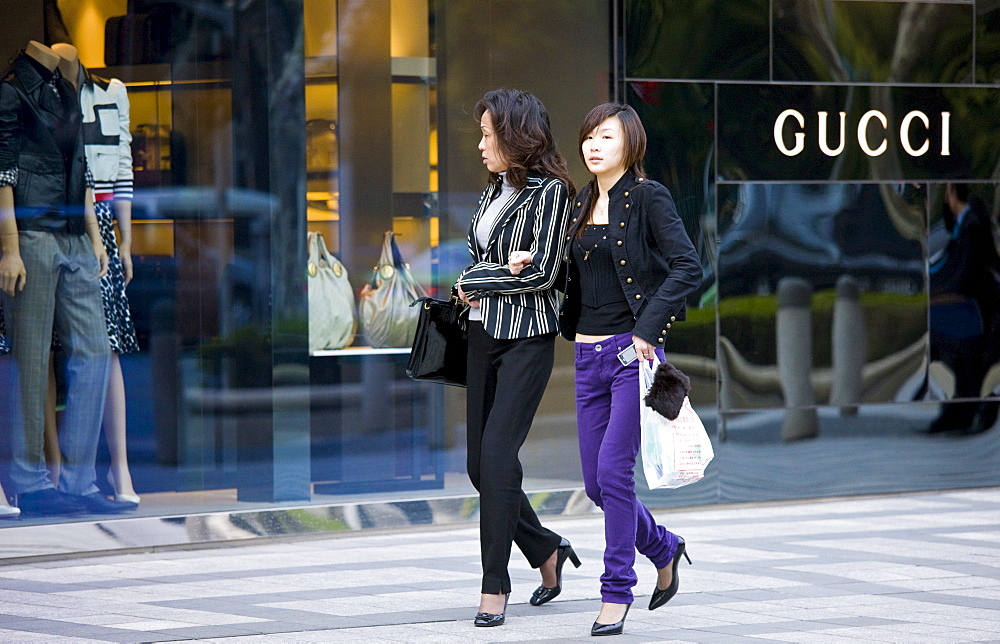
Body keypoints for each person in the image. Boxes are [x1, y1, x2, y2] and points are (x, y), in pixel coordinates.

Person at [511, 102, 701, 636]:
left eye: (606, 137)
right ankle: (664, 548)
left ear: (630, 144)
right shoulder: (578, 201)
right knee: (596, 486)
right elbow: (569, 272)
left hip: (629, 358)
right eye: (589, 136)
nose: (594, 145)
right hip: (587, 358)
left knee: (615, 475)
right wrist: (528, 264)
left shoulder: (648, 198)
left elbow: (689, 265)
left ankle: (616, 592)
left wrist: (647, 330)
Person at [455, 88, 580, 628]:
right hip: (483, 337)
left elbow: (543, 272)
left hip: (527, 339)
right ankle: (547, 549)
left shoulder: (552, 193)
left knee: (500, 455)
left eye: (488, 135)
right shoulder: (493, 191)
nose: (481, 145)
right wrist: (500, 269)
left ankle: (494, 584)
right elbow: (501, 265)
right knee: (479, 466)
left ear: (515, 136)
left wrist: (478, 279)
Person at [0, 41, 132, 516]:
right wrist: (10, 247)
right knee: (31, 360)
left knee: (95, 350)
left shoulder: (70, 91)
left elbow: (85, 168)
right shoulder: (13, 92)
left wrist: (97, 235)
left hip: (77, 234)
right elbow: (2, 174)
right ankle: (31, 481)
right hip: (33, 236)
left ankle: (78, 482)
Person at [50, 43, 141, 504]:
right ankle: (55, 473)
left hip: (100, 221)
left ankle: (120, 471)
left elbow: (121, 168)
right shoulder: (39, 96)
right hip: (47, 221)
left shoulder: (111, 93)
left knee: (109, 346)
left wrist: (125, 240)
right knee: (43, 350)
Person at [928, 183, 1000, 434]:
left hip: (975, 306)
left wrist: (938, 295)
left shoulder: (971, 226)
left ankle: (962, 409)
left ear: (953, 194)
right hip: (971, 301)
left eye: (947, 192)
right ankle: (958, 409)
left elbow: (965, 273)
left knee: (943, 339)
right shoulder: (967, 223)